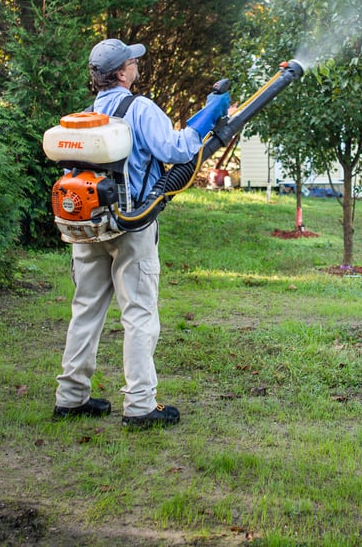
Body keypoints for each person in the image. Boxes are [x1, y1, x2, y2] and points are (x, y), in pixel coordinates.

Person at [53, 38, 230, 428]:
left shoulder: (83, 117)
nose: (136, 63)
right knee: (139, 314)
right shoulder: (140, 108)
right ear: (121, 73)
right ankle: (140, 405)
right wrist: (209, 113)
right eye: (132, 61)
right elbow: (179, 150)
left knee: (85, 310)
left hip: (89, 225)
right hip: (132, 225)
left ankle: (70, 397)